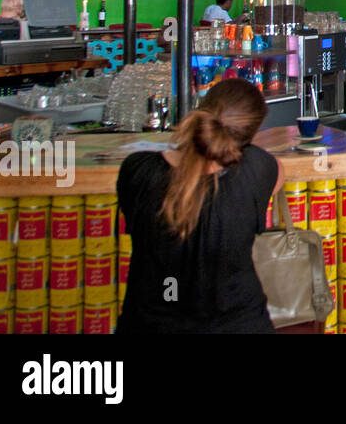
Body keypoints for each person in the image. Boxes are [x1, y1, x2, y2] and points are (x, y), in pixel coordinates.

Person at [116, 78, 278, 333]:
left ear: (201, 109)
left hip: (150, 325)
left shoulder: (137, 170)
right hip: (240, 325)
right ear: (250, 136)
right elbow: (275, 173)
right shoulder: (258, 169)